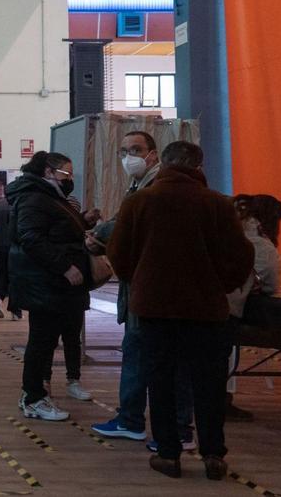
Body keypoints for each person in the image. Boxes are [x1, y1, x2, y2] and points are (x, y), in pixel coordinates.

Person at [108, 141, 253, 480]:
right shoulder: (219, 204)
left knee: (160, 381)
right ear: (199, 165)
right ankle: (213, 453)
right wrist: (221, 284)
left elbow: (118, 253)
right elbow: (241, 257)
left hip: (155, 308)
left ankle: (169, 454)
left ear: (165, 163)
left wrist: (140, 279)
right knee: (208, 384)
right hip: (206, 308)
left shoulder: (139, 202)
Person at [91, 132, 197, 449]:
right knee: (155, 359)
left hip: (152, 291)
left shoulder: (152, 195)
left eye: (134, 150)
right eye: (123, 151)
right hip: (161, 291)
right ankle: (149, 424)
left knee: (160, 361)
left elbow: (122, 230)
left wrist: (106, 247)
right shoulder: (141, 189)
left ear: (156, 157)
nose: (128, 157)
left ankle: (168, 429)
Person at [6, 151, 90, 421]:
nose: (69, 178)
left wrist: (84, 223)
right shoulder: (35, 198)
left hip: (51, 285)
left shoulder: (49, 197)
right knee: (41, 343)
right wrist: (64, 266)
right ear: (48, 173)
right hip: (44, 284)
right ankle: (33, 398)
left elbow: (54, 232)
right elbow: (31, 238)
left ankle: (34, 395)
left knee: (45, 341)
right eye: (65, 173)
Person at [224, 194, 281, 421]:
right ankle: (219, 406)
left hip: (205, 301)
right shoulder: (259, 242)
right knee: (219, 359)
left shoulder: (229, 230)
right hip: (226, 307)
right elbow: (270, 281)